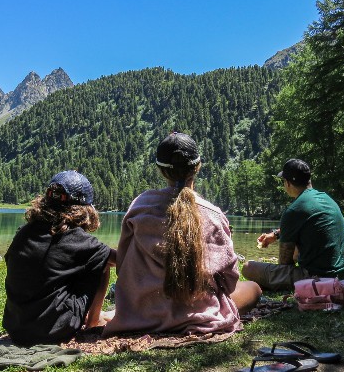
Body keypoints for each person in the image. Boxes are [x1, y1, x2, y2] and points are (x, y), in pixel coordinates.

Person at [103, 132, 261, 337]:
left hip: (143, 312)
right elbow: (230, 279)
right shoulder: (212, 214)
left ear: (161, 170)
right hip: (199, 313)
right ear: (198, 166)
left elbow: (123, 264)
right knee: (254, 288)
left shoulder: (140, 207)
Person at [2, 170, 116, 346]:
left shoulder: (25, 231)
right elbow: (119, 259)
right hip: (52, 330)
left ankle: (94, 316)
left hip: (16, 326)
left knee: (94, 258)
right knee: (102, 262)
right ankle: (93, 322)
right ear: (83, 209)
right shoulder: (75, 238)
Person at [242, 159, 344, 291]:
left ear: (288, 183)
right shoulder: (326, 198)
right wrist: (275, 235)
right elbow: (307, 223)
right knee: (298, 248)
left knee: (248, 268)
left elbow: (285, 264)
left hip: (320, 278)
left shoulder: (293, 210)